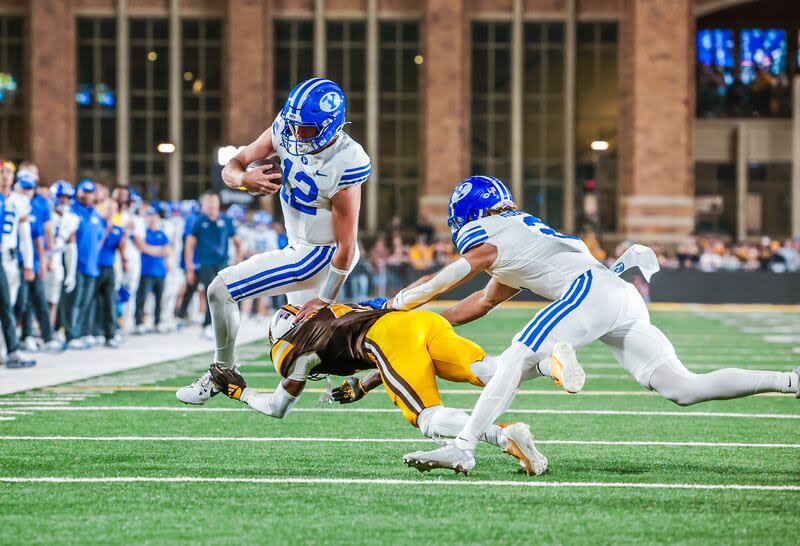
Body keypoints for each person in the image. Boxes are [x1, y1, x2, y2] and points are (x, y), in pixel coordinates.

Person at [377, 175, 799, 475]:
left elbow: (449, 277)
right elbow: (480, 302)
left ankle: (464, 446)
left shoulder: (488, 230)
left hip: (591, 291)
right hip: (616, 295)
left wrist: (395, 304)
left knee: (519, 353)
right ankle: (788, 381)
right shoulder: (517, 238)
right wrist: (422, 319)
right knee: (683, 388)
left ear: (468, 214)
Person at [176, 78, 370, 404]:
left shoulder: (346, 161)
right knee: (303, 348)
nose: (295, 135)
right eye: (293, 126)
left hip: (319, 253)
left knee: (219, 290)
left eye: (305, 129)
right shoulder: (285, 126)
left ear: (331, 126)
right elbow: (233, 165)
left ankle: (222, 372)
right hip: (298, 243)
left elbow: (346, 247)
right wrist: (243, 180)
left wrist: (324, 297)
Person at [208, 303, 548, 476]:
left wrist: (241, 393)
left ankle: (504, 437)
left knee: (425, 416)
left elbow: (279, 406)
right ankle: (549, 363)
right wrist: (366, 384)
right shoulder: (337, 310)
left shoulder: (293, 348)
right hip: (421, 320)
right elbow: (385, 353)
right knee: (487, 370)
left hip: (388, 337)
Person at [176, 192, 239, 338]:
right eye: (208, 202)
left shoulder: (226, 220)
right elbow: (189, 245)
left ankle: (220, 324)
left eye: (213, 201)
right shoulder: (198, 221)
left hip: (223, 264)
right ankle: (206, 325)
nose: (210, 205)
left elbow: (238, 242)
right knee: (211, 294)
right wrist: (190, 268)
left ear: (218, 203)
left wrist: (238, 261)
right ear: (204, 205)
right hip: (206, 264)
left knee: (223, 295)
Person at [15, 173, 59, 351]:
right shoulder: (12, 205)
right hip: (16, 261)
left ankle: (46, 336)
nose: (27, 192)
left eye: (29, 188)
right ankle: (21, 336)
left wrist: (43, 260)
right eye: (24, 188)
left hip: (31, 261)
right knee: (21, 302)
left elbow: (39, 238)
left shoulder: (35, 208)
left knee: (40, 300)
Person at [0, 160, 35, 368]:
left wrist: (29, 263)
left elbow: (25, 235)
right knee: (5, 303)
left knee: (11, 304)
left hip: (11, 258)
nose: (5, 176)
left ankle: (7, 349)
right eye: (1, 172)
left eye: (8, 172)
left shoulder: (20, 201)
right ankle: (10, 350)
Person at [65, 179, 104, 349]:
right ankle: (70, 334)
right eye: (84, 192)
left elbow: (100, 238)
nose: (87, 195)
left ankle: (80, 332)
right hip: (77, 265)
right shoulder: (73, 211)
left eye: (90, 192)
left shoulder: (96, 214)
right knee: (74, 301)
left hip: (92, 265)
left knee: (86, 302)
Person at [93, 197, 126, 347]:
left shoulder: (118, 229)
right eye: (108, 209)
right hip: (94, 267)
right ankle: (93, 332)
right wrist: (107, 229)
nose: (110, 213)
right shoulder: (97, 224)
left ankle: (110, 334)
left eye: (113, 210)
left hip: (109, 267)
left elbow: (121, 250)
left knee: (110, 302)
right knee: (93, 301)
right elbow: (96, 245)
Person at [133, 207, 171, 334]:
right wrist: (158, 250)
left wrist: (151, 249)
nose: (153, 219)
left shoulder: (162, 233)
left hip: (160, 272)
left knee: (160, 299)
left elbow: (166, 251)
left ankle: (158, 322)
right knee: (142, 298)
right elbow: (143, 247)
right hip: (147, 271)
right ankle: (139, 322)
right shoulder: (144, 232)